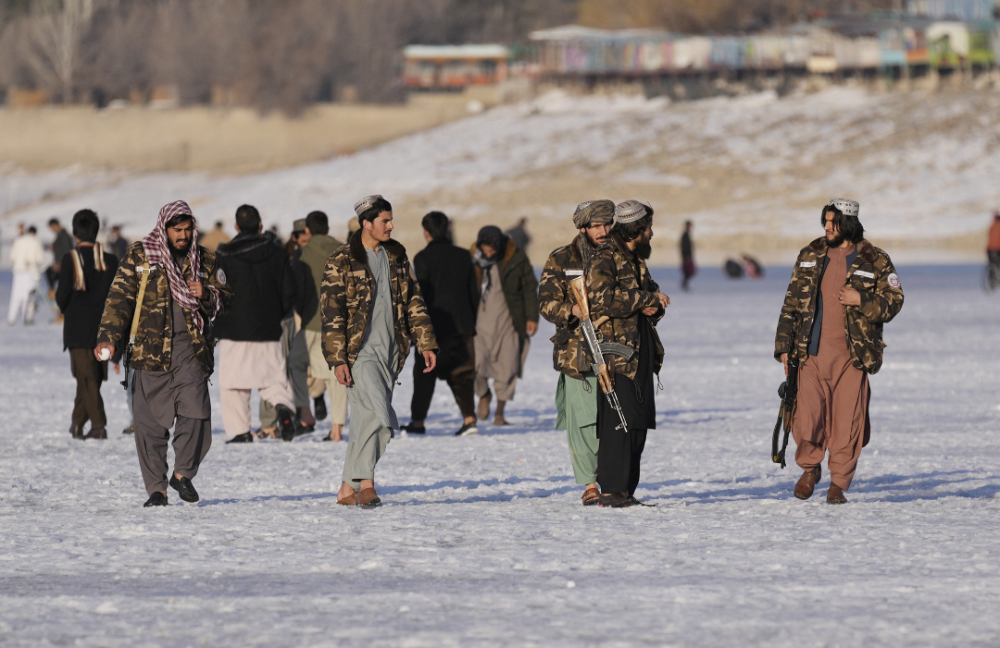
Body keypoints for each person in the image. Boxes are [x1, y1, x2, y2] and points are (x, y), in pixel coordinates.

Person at [95, 200, 232, 508]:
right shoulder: (140, 255)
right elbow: (119, 299)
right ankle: (157, 489)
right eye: (177, 230)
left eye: (187, 230)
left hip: (190, 348)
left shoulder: (205, 260)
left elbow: (226, 301)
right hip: (149, 350)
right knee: (149, 425)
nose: (183, 236)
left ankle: (182, 474)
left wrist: (206, 295)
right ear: (164, 228)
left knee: (196, 411)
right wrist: (108, 338)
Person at [775, 199, 904, 505]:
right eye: (825, 221)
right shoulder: (810, 254)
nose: (827, 227)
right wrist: (784, 348)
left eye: (833, 222)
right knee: (807, 418)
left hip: (853, 357)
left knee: (847, 423)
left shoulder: (875, 259)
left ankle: (839, 482)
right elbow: (790, 304)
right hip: (810, 354)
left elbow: (894, 301)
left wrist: (862, 300)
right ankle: (809, 469)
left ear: (849, 224)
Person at [322, 194, 437, 508]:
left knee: (365, 419)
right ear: (366, 223)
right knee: (380, 418)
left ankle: (347, 488)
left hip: (392, 352)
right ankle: (367, 484)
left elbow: (414, 300)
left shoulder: (396, 256)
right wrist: (337, 358)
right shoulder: (341, 260)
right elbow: (332, 313)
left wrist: (425, 342)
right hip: (359, 353)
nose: (391, 225)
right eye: (385, 221)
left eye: (391, 219)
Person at [588, 200, 669, 508]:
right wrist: (645, 298)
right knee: (617, 424)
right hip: (616, 356)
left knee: (637, 423)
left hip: (641, 352)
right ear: (637, 228)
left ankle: (625, 490)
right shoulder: (605, 257)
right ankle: (610, 490)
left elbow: (651, 293)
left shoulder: (635, 259)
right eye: (648, 226)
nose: (652, 232)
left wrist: (655, 304)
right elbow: (602, 300)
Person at [538, 199, 614, 506]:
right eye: (597, 225)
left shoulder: (620, 255)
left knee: (614, 420)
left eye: (608, 224)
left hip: (616, 352)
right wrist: (570, 309)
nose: (604, 230)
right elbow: (545, 302)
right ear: (582, 227)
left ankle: (613, 479)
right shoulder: (562, 258)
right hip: (577, 352)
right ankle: (589, 483)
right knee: (583, 421)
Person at [214, 204, 298, 444]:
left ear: (237, 226)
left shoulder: (224, 255)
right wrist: (277, 315)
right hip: (268, 327)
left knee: (232, 384)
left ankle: (240, 431)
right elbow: (289, 290)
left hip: (234, 328)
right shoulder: (276, 251)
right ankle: (282, 407)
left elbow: (218, 292)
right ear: (260, 225)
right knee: (273, 377)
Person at [402, 211, 479, 436]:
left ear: (426, 232)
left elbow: (419, 296)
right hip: (462, 327)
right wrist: (471, 323)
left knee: (424, 376)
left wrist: (415, 329)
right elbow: (473, 293)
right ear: (447, 229)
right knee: (463, 375)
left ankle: (418, 423)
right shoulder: (464, 255)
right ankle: (469, 419)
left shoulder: (422, 258)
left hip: (432, 328)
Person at [55, 209, 119, 440]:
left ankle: (99, 426)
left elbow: (62, 296)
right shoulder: (110, 260)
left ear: (75, 232)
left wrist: (66, 310)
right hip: (105, 329)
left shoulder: (70, 259)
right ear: (96, 230)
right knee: (92, 377)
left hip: (78, 329)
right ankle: (76, 423)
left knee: (87, 378)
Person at [471, 226, 539, 426]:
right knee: (474, 365)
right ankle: (483, 394)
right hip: (479, 322)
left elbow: (529, 288)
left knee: (507, 367)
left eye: (493, 249)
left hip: (509, 320)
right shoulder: (473, 258)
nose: (489, 253)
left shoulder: (516, 258)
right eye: (486, 249)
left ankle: (500, 412)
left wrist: (532, 317)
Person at [296, 210, 348, 441]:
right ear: (327, 228)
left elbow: (297, 289)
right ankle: (336, 428)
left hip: (311, 320)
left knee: (298, 365)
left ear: (307, 230)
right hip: (340, 321)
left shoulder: (302, 254)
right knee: (337, 374)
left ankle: (306, 410)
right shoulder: (344, 250)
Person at [7, 225, 44, 325]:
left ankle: (11, 318)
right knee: (30, 296)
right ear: (35, 233)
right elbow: (40, 258)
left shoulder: (18, 241)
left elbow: (12, 257)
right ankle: (28, 317)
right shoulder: (36, 242)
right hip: (31, 272)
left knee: (16, 296)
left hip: (18, 272)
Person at [45, 218, 75, 296]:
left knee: (49, 272)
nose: (51, 229)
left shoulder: (64, 235)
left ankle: (53, 292)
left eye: (52, 227)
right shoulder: (60, 235)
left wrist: (59, 262)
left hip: (64, 264)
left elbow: (66, 250)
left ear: (55, 225)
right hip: (63, 264)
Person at [680, 220, 696, 291]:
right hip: (686, 256)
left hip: (688, 256)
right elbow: (684, 247)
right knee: (689, 270)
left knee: (689, 271)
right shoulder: (685, 235)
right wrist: (686, 256)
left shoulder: (687, 234)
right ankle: (684, 284)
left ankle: (685, 283)